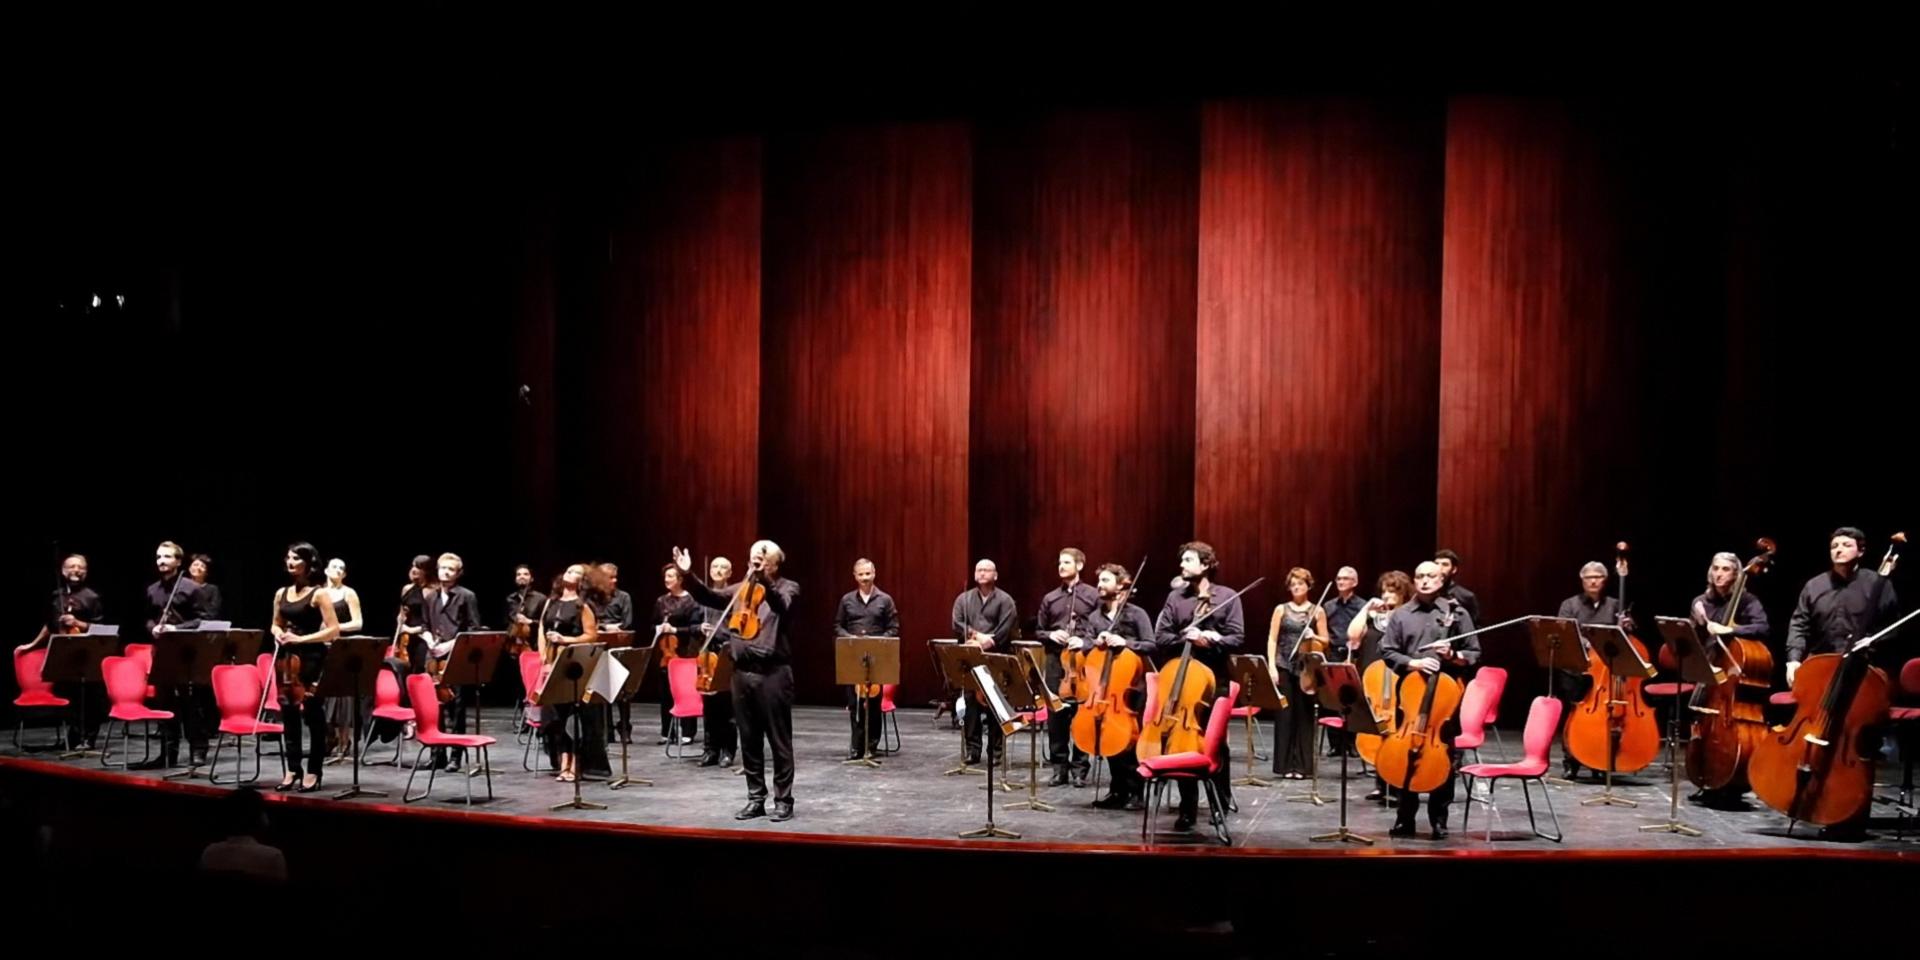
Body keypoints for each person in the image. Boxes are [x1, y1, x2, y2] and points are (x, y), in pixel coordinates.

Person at [674, 541, 800, 822]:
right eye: (753, 558)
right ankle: (756, 798)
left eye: (764, 560)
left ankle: (783, 800)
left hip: (773, 673)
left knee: (779, 741)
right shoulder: (741, 589)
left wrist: (763, 578)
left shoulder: (787, 587)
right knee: (749, 739)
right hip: (741, 673)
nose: (756, 563)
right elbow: (708, 596)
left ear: (775, 564)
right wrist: (688, 574)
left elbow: (781, 604)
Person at [1378, 561, 1479, 839]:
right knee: (1404, 756)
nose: (1424, 581)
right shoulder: (1401, 615)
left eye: (1431, 576)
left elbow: (1473, 652)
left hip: (1445, 698)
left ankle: (1439, 819)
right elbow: (1387, 651)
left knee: (1444, 758)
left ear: (1442, 578)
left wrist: (1451, 656)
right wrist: (1414, 662)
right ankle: (1404, 819)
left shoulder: (1457, 613)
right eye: (1420, 576)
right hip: (1409, 695)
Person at [1152, 541, 1241, 833]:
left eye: (1188, 560)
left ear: (1205, 565)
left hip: (1216, 679)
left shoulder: (1227, 597)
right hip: (1183, 681)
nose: (1182, 565)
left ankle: (1220, 804)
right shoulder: (1175, 599)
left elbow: (1236, 638)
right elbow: (1161, 637)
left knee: (1216, 743)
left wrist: (1211, 638)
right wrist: (1186, 637)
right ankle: (1187, 808)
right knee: (1182, 739)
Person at [271, 543, 342, 793]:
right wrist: (279, 633)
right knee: (288, 714)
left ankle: (314, 770)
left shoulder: (319, 593)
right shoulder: (281, 593)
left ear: (308, 564)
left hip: (312, 656)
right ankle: (292, 769)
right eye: (288, 557)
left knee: (313, 715)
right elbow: (275, 624)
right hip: (287, 658)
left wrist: (300, 639)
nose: (289, 562)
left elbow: (333, 629)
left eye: (296, 559)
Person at [1036, 548, 1099, 786]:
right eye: (1059, 562)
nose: (1061, 566)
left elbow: (1100, 628)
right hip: (1055, 662)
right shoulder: (1050, 598)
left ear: (1079, 566)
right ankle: (1059, 768)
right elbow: (1039, 631)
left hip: (1082, 663)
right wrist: (1052, 634)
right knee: (1057, 716)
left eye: (1066, 562)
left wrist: (1083, 641)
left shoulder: (1093, 596)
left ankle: (1080, 768)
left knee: (1082, 715)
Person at [952, 559, 1017, 766]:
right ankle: (973, 750)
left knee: (994, 702)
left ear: (995, 575)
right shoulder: (964, 598)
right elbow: (957, 622)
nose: (981, 573)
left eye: (986, 570)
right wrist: (976, 635)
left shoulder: (1005, 600)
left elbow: (1007, 625)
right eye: (978, 570)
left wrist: (991, 641)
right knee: (971, 702)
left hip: (996, 655)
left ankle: (996, 750)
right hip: (972, 654)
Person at [834, 558, 899, 759]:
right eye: (861, 574)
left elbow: (894, 628)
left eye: (867, 574)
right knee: (854, 704)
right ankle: (856, 746)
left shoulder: (885, 600)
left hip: (876, 657)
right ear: (855, 576)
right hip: (853, 655)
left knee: (873, 703)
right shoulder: (846, 600)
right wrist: (850, 638)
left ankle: (871, 745)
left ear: (874, 574)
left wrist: (877, 642)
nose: (864, 578)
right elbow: (838, 626)